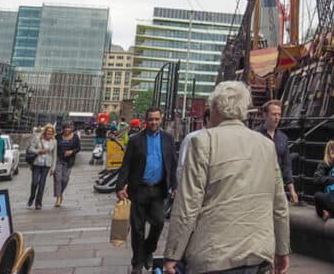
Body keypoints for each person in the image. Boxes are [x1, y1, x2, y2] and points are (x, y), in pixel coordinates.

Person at [162, 81, 290, 274]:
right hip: (258, 255)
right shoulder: (266, 145)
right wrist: (282, 251)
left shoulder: (203, 141)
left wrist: (172, 255)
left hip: (214, 256)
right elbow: (279, 205)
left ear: (215, 108)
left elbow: (188, 204)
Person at [116, 107, 176, 274]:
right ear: (145, 120)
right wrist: (120, 187)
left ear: (161, 119)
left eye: (156, 119)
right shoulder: (136, 140)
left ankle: (148, 250)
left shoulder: (168, 139)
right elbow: (125, 165)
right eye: (151, 119)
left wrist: (175, 186)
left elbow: (173, 164)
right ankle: (137, 262)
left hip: (158, 190)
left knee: (158, 223)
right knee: (137, 228)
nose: (154, 122)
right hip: (139, 190)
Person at [254, 100, 298, 204]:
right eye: (274, 114)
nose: (277, 118)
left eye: (279, 114)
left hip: (277, 184)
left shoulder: (283, 138)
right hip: (259, 185)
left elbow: (287, 165)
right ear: (265, 115)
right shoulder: (255, 135)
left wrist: (292, 190)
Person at [175, 108, 210, 186]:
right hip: (193, 187)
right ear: (208, 119)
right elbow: (182, 165)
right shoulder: (192, 138)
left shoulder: (220, 140)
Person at [27, 124, 56, 209]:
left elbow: (54, 155)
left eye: (51, 132)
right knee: (35, 182)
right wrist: (38, 151)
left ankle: (38, 202)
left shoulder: (54, 141)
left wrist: (53, 168)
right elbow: (30, 148)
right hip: (36, 163)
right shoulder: (38, 138)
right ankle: (32, 197)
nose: (49, 133)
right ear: (45, 131)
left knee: (42, 183)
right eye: (48, 131)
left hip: (46, 165)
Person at [53, 121, 82, 207]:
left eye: (68, 128)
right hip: (58, 160)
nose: (67, 129)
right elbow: (52, 144)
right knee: (58, 179)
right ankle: (58, 198)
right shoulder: (58, 136)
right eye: (65, 128)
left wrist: (72, 151)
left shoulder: (75, 137)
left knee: (65, 179)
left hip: (69, 162)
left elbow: (79, 148)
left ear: (71, 129)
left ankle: (60, 193)